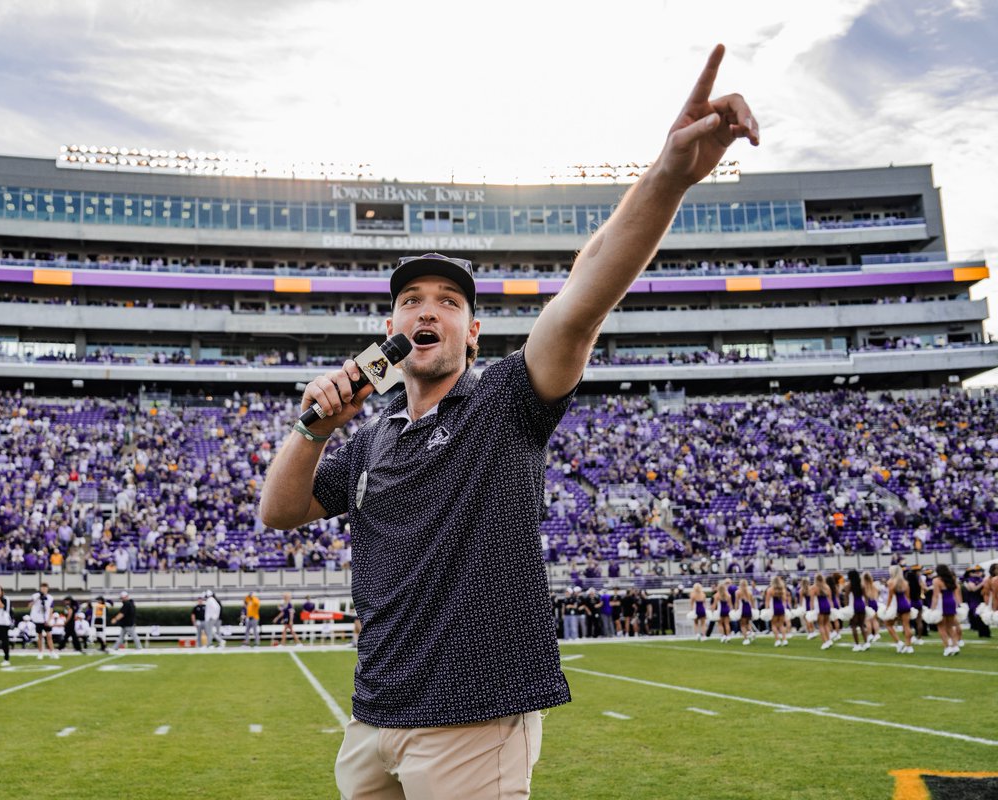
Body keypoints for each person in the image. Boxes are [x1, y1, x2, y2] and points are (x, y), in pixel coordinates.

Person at [259, 43, 757, 797]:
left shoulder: (503, 400)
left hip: (474, 716)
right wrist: (313, 429)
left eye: (449, 303)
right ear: (390, 327)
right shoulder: (368, 441)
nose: (427, 310)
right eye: (411, 301)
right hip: (374, 718)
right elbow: (279, 511)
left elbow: (581, 300)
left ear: (473, 335)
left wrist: (667, 176)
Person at [930, 564, 962, 657]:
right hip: (951, 602)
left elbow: (935, 596)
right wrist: (958, 605)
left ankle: (947, 648)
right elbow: (956, 594)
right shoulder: (952, 579)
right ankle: (955, 646)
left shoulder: (936, 580)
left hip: (942, 603)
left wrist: (932, 608)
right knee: (950, 626)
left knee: (941, 627)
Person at [884, 565, 914, 654]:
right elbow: (908, 597)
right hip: (905, 604)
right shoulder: (905, 582)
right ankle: (909, 646)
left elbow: (890, 597)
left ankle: (898, 642)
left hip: (895, 605)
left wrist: (887, 608)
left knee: (888, 624)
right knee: (906, 626)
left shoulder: (891, 582)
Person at [29, 582, 58, 660]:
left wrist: (49, 619)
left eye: (45, 587)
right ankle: (40, 652)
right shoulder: (35, 596)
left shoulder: (50, 597)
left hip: (46, 619)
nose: (44, 589)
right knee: (39, 636)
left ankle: (52, 652)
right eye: (42, 587)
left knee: (49, 636)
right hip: (38, 619)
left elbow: (51, 609)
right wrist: (37, 597)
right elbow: (30, 605)